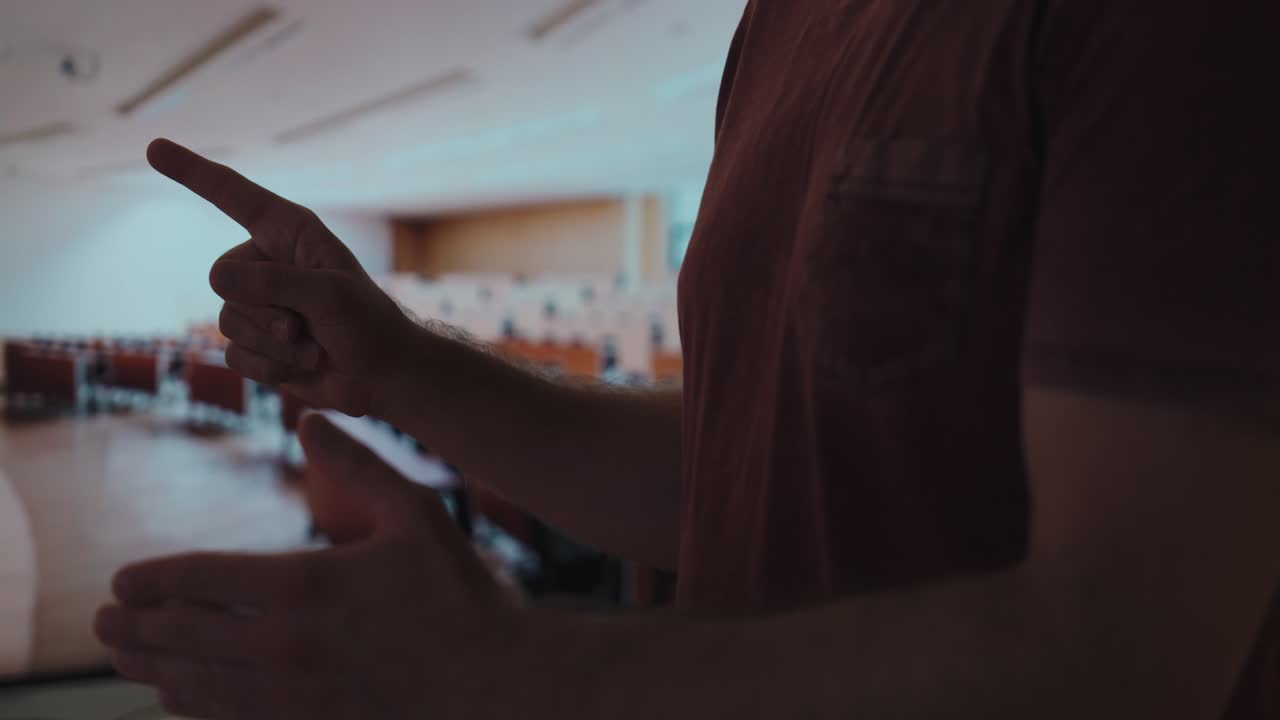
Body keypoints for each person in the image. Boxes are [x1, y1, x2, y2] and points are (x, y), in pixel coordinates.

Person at [93, 1, 1280, 717]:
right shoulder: (780, 25)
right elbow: (741, 468)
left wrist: (501, 679)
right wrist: (405, 369)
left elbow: (1125, 658)